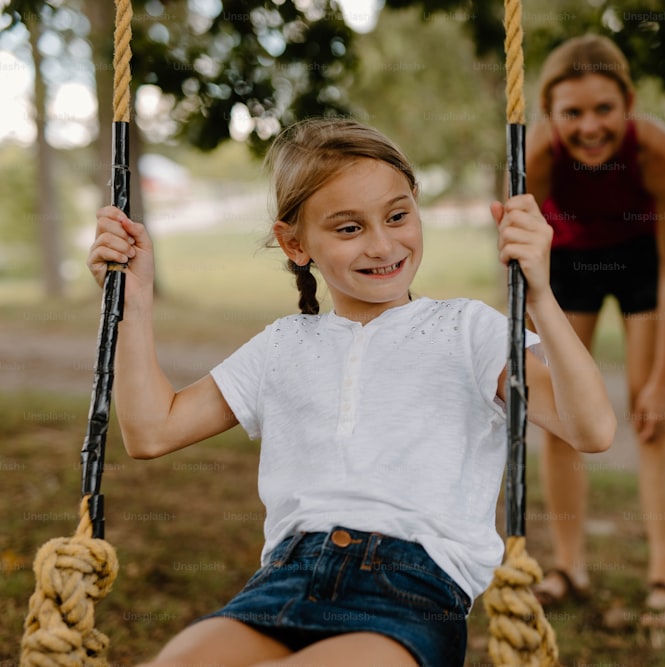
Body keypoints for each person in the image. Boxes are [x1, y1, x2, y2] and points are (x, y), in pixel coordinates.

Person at [87, 118, 616, 667]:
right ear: (295, 242)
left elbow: (591, 428)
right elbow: (151, 431)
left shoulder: (469, 331)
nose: (383, 244)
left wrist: (541, 297)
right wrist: (135, 302)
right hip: (281, 584)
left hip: (411, 596)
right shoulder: (284, 345)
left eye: (396, 216)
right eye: (348, 229)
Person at [525, 35, 665, 626]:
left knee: (650, 418)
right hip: (568, 264)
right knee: (561, 418)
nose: (590, 126)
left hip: (643, 260)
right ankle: (569, 567)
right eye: (573, 112)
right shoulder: (538, 158)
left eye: (604, 109)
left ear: (629, 103)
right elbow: (522, 261)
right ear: (550, 114)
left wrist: (662, 383)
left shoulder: (659, 155)